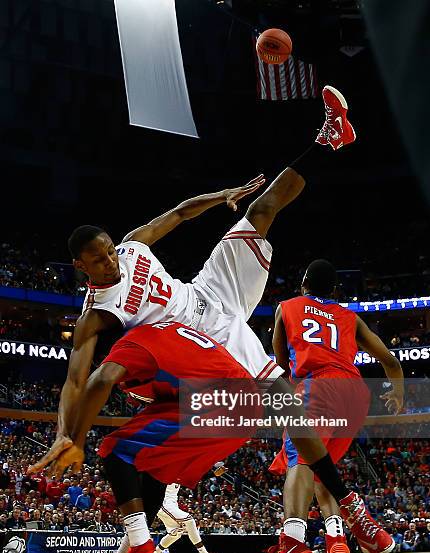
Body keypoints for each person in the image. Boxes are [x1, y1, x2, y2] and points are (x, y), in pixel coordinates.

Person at [49, 85, 355, 462]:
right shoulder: (95, 313)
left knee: (259, 212)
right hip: (199, 340)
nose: (110, 261)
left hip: (208, 291)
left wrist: (220, 195)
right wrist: (65, 433)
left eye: (110, 251)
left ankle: (328, 140)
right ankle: (329, 491)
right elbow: (76, 380)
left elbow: (178, 213)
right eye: (98, 260)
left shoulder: (131, 247)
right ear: (80, 266)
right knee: (281, 394)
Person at [31, 321, 394, 553]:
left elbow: (97, 381)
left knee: (114, 449)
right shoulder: (174, 325)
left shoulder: (132, 345)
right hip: (280, 393)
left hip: (231, 393)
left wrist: (73, 437)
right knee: (152, 469)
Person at [241, 259, 404, 553]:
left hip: (317, 387)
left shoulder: (287, 307)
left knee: (299, 462)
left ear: (303, 283)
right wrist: (397, 393)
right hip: (355, 394)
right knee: (321, 471)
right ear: (334, 290)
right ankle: (337, 543)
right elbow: (390, 361)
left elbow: (282, 365)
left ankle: (292, 543)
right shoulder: (350, 317)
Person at [154, 483, 223, 553]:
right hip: (165, 503)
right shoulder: (167, 471)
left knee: (175, 534)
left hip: (172, 503)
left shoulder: (180, 473)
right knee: (189, 520)